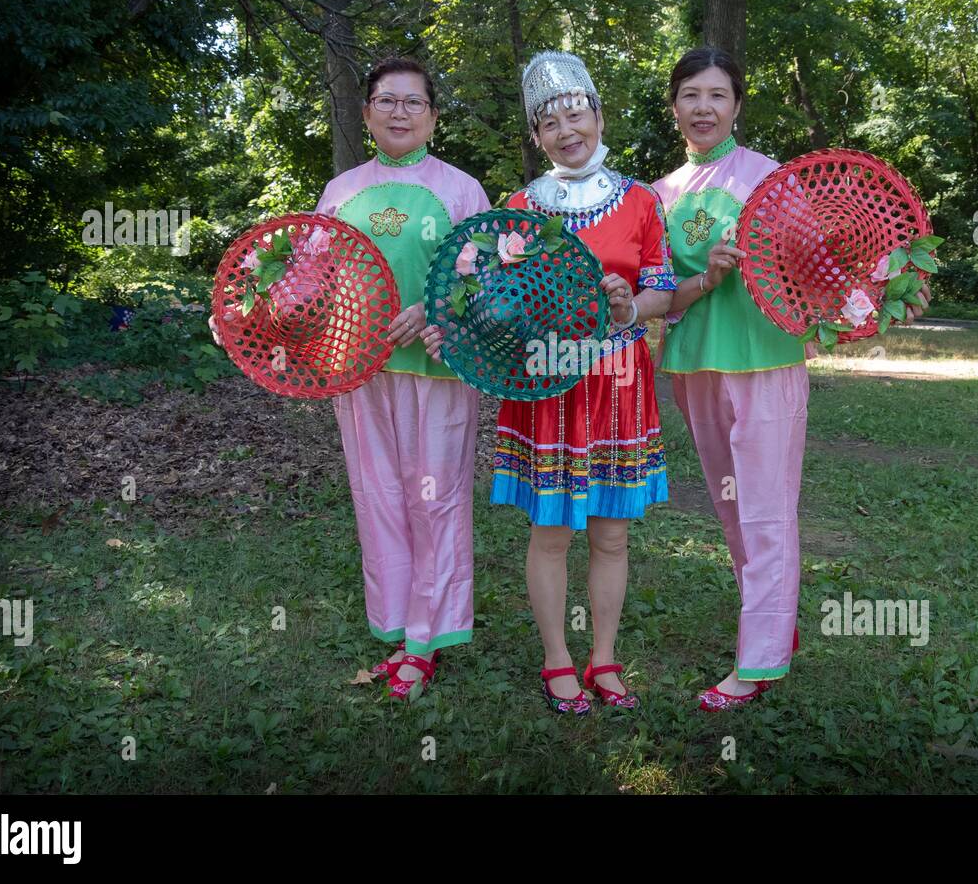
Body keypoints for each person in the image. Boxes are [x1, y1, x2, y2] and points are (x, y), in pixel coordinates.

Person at [652, 47, 930, 710]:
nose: (703, 107)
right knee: (729, 508)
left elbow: (827, 264)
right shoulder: (658, 194)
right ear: (674, 108)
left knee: (767, 509)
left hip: (768, 362)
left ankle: (760, 659)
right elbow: (661, 294)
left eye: (717, 94)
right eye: (690, 95)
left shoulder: (770, 178)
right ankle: (773, 625)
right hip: (694, 361)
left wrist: (891, 291)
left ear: (737, 104)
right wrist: (707, 278)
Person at [216, 56, 490, 700]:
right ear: (366, 113)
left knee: (436, 497)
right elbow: (303, 280)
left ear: (433, 116)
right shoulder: (340, 192)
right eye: (387, 101)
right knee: (380, 496)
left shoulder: (461, 190)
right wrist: (247, 314)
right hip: (358, 367)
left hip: (438, 368)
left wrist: (438, 302)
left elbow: (486, 278)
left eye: (413, 102)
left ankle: (429, 636)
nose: (400, 112)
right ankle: (397, 623)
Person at [425, 50, 675, 714]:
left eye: (576, 113)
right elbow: (493, 304)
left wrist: (628, 307)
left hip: (618, 379)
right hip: (544, 383)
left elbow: (663, 291)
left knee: (612, 532)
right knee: (551, 530)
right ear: (537, 138)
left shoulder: (643, 201)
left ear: (597, 114)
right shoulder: (517, 208)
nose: (567, 130)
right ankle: (557, 660)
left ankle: (605, 657)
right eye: (550, 123)